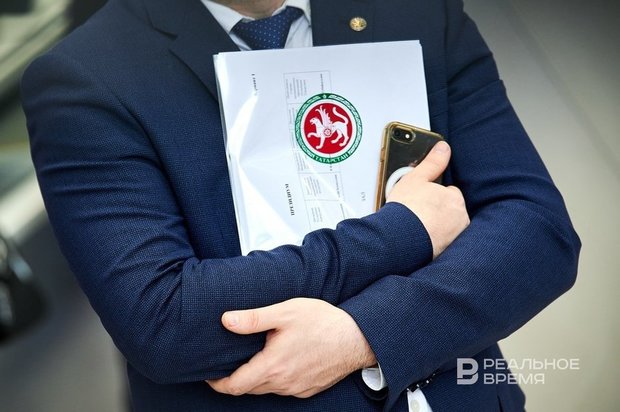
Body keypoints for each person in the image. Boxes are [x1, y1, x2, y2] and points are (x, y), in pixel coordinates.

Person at [21, 0, 580, 410]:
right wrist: (405, 230)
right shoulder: (88, 78)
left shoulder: (415, 11)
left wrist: (363, 336)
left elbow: (538, 231)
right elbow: (164, 320)